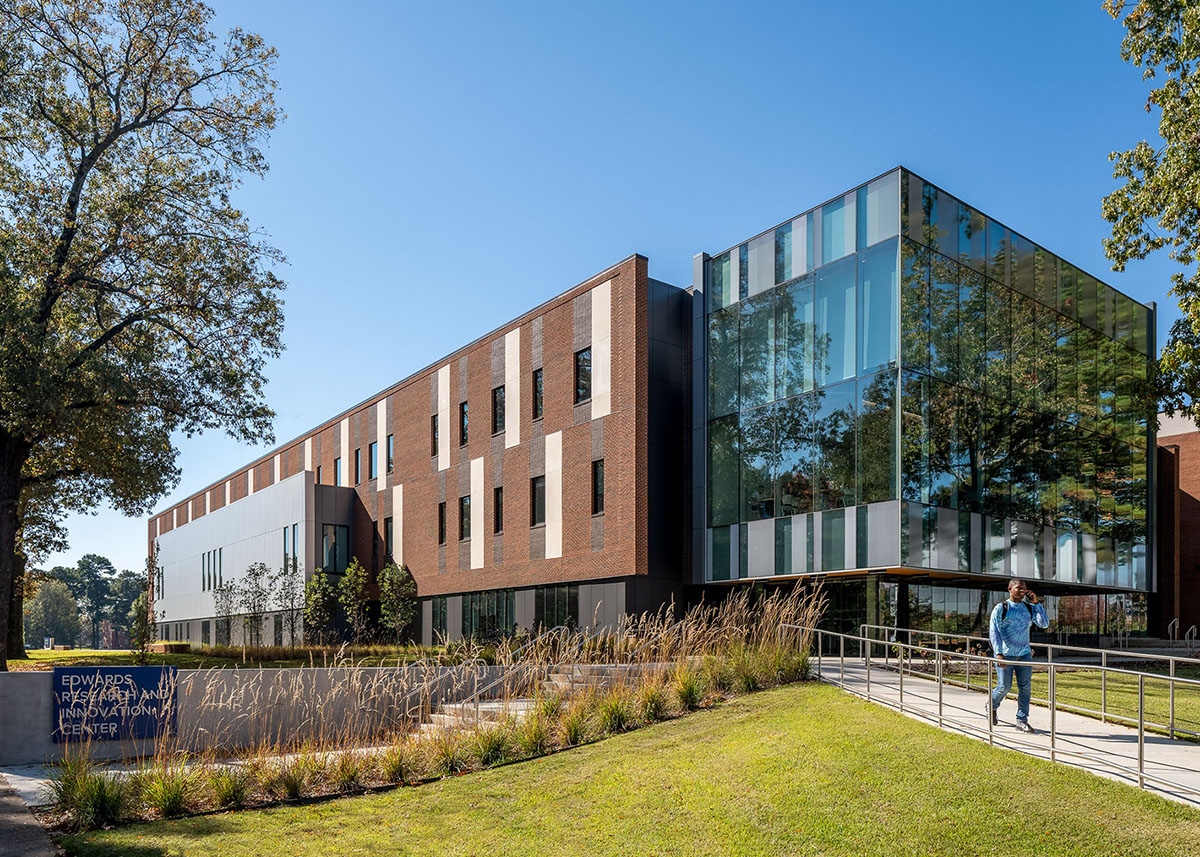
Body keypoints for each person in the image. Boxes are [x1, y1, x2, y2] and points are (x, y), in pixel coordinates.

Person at [986, 578, 1049, 734]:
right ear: (1010, 589)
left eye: (1024, 589)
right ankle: (992, 705)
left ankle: (1022, 720)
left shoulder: (1028, 607)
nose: (1022, 591)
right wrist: (998, 653)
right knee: (1004, 686)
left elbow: (1044, 623)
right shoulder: (1001, 608)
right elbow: (994, 632)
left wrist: (1036, 604)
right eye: (1019, 588)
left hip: (1024, 654)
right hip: (1005, 655)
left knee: (1025, 688)